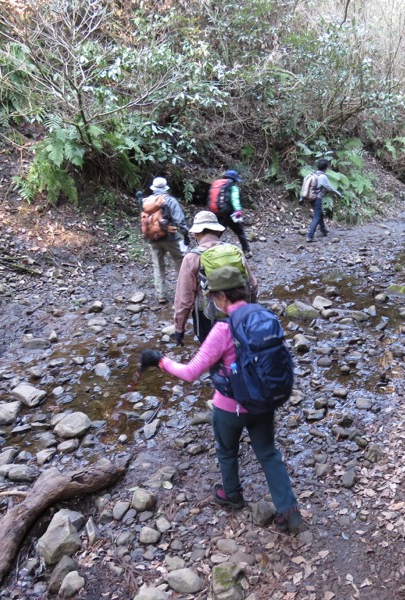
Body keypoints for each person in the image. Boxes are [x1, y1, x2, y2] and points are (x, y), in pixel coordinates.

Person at [139, 266, 304, 534]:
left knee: (227, 450)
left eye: (213, 297)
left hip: (230, 407)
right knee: (268, 453)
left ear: (221, 297)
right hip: (263, 402)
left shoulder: (222, 330)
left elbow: (191, 372)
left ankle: (232, 494)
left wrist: (159, 360)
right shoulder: (264, 317)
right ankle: (288, 510)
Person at [172, 211, 257, 346]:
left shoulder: (192, 258)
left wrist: (179, 329)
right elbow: (252, 285)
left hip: (208, 320)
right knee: (240, 354)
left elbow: (184, 299)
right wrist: (251, 311)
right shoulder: (235, 251)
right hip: (239, 315)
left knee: (214, 359)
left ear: (196, 234)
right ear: (217, 232)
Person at [145, 177, 190, 304]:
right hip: (170, 237)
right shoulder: (170, 200)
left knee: (158, 265)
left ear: (153, 188)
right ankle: (184, 291)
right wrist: (186, 235)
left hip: (153, 238)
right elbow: (179, 220)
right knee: (180, 261)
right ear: (166, 188)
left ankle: (161, 295)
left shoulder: (147, 201)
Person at [302, 158, 342, 243]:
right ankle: (310, 236)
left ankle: (323, 229)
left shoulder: (312, 175)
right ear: (325, 168)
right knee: (317, 216)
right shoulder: (323, 177)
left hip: (311, 198)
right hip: (317, 198)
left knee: (319, 213)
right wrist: (338, 193)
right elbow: (329, 188)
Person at [213, 170, 252, 257]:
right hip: (229, 214)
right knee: (240, 231)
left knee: (217, 233)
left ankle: (208, 251)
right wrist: (238, 211)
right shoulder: (233, 187)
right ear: (234, 179)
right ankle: (247, 251)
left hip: (218, 213)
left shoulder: (218, 186)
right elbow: (235, 200)